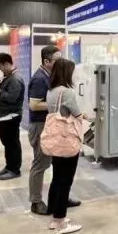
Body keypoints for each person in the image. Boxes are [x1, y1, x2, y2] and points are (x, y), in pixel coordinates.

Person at [25, 46, 80, 214]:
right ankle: (36, 201)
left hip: (52, 125)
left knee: (58, 167)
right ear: (46, 61)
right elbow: (34, 105)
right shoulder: (40, 79)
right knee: (40, 164)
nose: (60, 62)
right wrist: (59, 105)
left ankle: (60, 198)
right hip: (42, 125)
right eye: (57, 60)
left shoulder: (51, 78)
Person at [44, 58, 86, 234]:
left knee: (57, 177)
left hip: (55, 140)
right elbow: (77, 114)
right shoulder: (67, 92)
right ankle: (60, 221)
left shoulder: (51, 91)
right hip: (67, 140)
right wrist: (85, 115)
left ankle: (55, 218)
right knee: (65, 180)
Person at [0, 52, 27, 181]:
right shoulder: (8, 76)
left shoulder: (15, 79)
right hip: (5, 115)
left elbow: (12, 98)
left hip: (11, 116)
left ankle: (15, 170)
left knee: (12, 144)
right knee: (7, 143)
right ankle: (9, 166)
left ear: (7, 64)